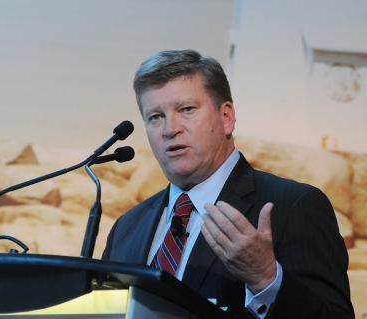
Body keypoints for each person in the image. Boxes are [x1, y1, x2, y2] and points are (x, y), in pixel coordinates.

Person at [102, 50, 354, 318]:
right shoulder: (127, 228)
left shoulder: (295, 206)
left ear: (226, 117)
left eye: (186, 109)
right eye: (155, 117)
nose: (169, 129)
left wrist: (266, 280)